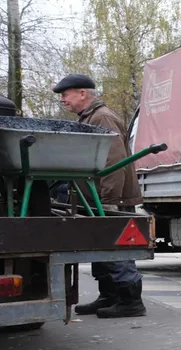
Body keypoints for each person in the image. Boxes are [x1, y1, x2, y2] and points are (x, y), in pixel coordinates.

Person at [53, 74, 146, 318]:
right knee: (101, 247)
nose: (63, 100)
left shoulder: (102, 117)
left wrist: (108, 201)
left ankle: (130, 301)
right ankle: (109, 296)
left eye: (65, 95)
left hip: (109, 199)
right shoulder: (91, 117)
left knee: (115, 249)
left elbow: (113, 161)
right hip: (97, 198)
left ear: (82, 94)